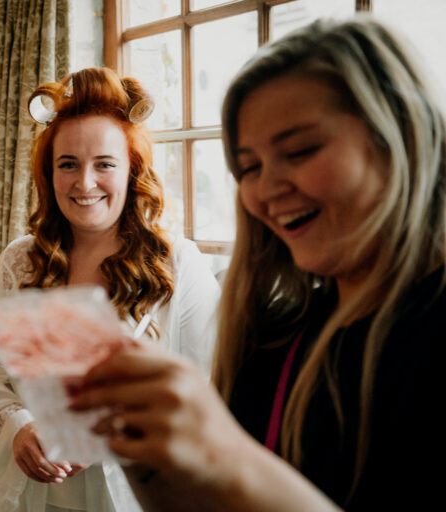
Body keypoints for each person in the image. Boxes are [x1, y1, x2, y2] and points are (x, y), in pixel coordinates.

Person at [68, 17, 445, 511]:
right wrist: (146, 457)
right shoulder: (273, 340)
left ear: (401, 137)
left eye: (301, 150)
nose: (266, 190)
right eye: (249, 167)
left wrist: (228, 456)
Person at [0, 67, 220, 512]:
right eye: (68, 164)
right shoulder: (19, 263)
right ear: (49, 173)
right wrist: (20, 427)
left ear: (132, 170)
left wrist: (115, 431)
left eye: (104, 164)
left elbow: (210, 391)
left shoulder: (178, 265)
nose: (84, 183)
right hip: (36, 499)